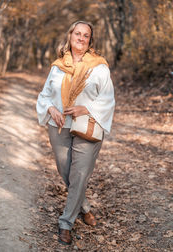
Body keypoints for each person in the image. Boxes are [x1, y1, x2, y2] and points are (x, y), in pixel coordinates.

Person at [36, 20, 115, 245]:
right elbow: (44, 95)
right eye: (77, 33)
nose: (81, 38)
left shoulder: (99, 67)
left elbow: (108, 98)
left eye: (86, 35)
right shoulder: (57, 66)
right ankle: (84, 206)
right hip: (59, 126)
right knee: (66, 172)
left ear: (90, 40)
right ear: (70, 36)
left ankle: (65, 222)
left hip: (87, 126)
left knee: (79, 173)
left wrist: (85, 108)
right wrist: (51, 109)